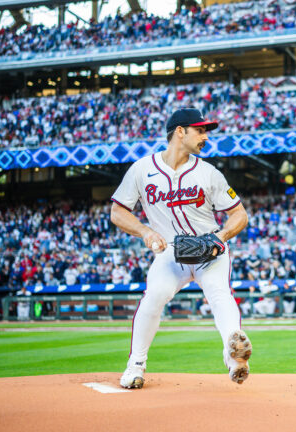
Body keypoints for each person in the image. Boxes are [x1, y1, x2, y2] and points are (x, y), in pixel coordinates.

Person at [110, 108, 251, 389]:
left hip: (208, 248)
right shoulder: (141, 169)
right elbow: (117, 212)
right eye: (200, 130)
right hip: (171, 253)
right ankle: (135, 365)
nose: (205, 137)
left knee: (219, 293)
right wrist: (145, 231)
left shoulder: (209, 173)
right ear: (180, 132)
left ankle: (234, 355)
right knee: (155, 295)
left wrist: (221, 236)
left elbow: (240, 215)